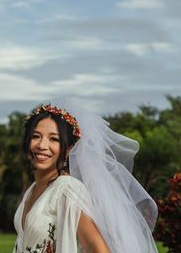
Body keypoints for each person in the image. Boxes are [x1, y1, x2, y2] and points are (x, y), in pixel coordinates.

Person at [13, 100, 158, 253]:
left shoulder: (68, 190)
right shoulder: (31, 190)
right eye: (36, 136)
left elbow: (98, 249)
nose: (42, 145)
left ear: (69, 149)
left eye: (53, 139)